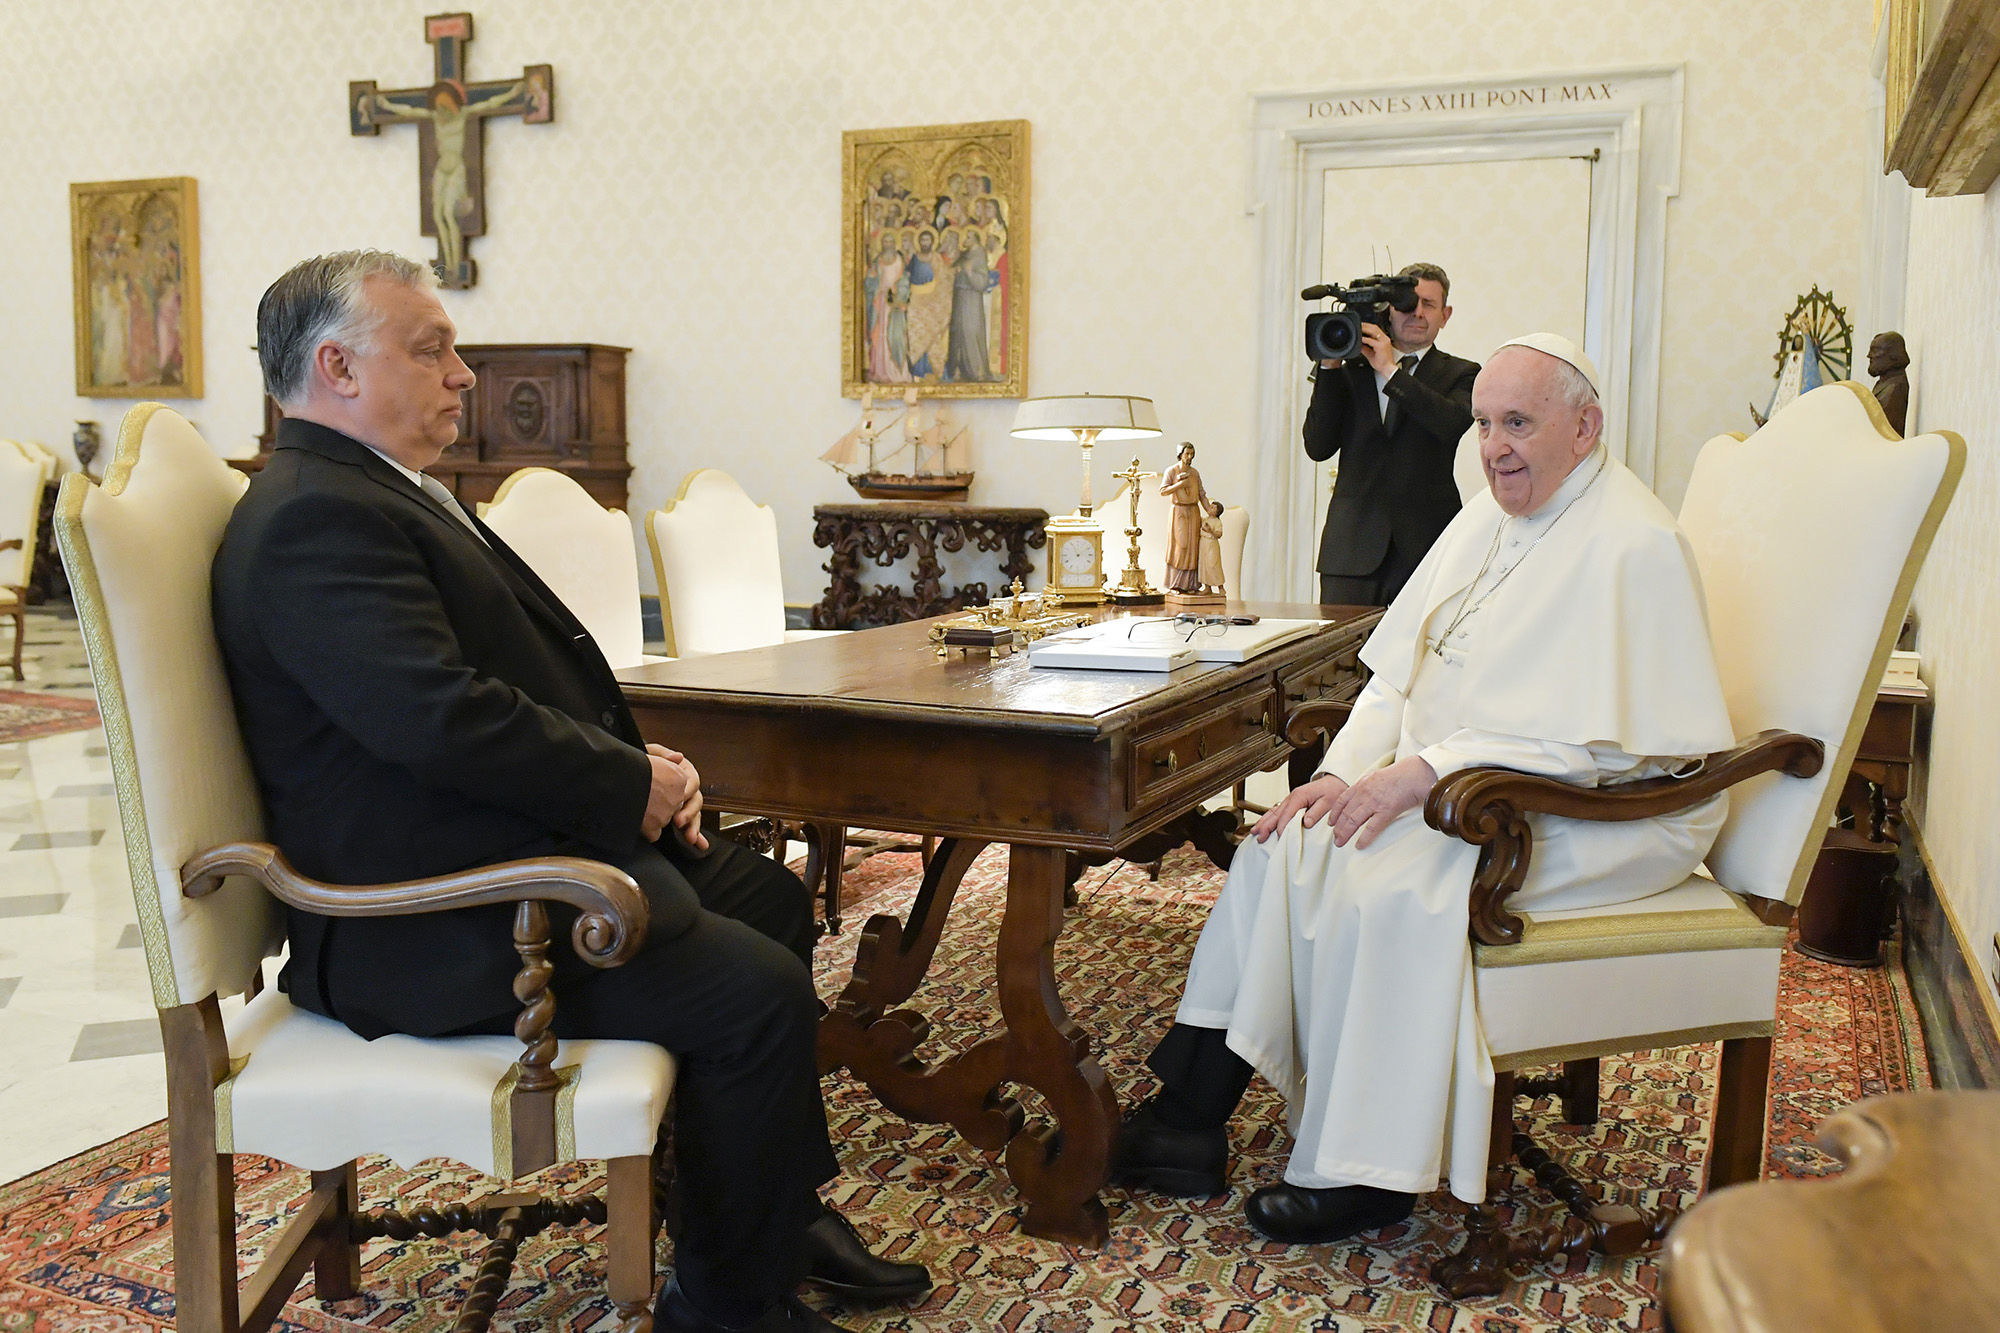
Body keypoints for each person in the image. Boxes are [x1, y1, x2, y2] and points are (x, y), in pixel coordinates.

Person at [212, 251, 929, 1333]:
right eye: (431, 347)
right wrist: (627, 783)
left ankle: (768, 1213)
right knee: (753, 995)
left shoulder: (368, 489)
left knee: (768, 901)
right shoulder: (315, 516)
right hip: (419, 917)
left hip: (474, 853)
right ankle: (729, 1305)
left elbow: (491, 693)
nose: (463, 373)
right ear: (336, 367)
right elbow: (439, 719)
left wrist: (641, 777)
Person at [1115, 334, 1737, 1245]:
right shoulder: (1491, 514)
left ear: (1585, 425)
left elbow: (1606, 745)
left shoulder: (1633, 542)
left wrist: (1422, 774)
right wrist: (1333, 777)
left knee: (1388, 882)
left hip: (1605, 812)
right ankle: (1187, 1115)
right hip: (1474, 787)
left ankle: (1367, 1174)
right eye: (1485, 424)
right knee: (1289, 838)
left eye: (1517, 423)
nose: (1494, 447)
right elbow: (1398, 677)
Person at [1303, 261, 1480, 607]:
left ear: (1445, 315)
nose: (1416, 312)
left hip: (1426, 550)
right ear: (1389, 310)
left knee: (1419, 660)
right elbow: (1318, 445)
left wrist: (1388, 368)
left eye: (1428, 304)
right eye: (1407, 304)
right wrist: (1329, 366)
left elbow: (1450, 424)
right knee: (1339, 660)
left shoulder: (1463, 373)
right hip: (1350, 553)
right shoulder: (1348, 368)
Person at [1159, 442, 1207, 594]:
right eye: (1187, 454)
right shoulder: (1171, 471)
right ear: (1180, 454)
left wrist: (1211, 512)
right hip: (1179, 510)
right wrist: (1180, 484)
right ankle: (1174, 584)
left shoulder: (1195, 473)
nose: (1190, 457)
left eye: (1192, 454)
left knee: (1193, 547)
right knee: (1181, 545)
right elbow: (1164, 491)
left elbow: (1201, 494)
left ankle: (1190, 585)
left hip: (1193, 511)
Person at [1197, 500, 1227, 596]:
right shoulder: (1205, 519)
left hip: (1212, 544)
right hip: (1203, 543)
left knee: (1213, 565)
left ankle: (1221, 587)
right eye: (1210, 506)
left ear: (1217, 512)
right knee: (1204, 564)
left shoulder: (1217, 522)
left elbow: (1219, 534)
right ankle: (1207, 587)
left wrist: (1210, 531)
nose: (1210, 508)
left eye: (1213, 507)